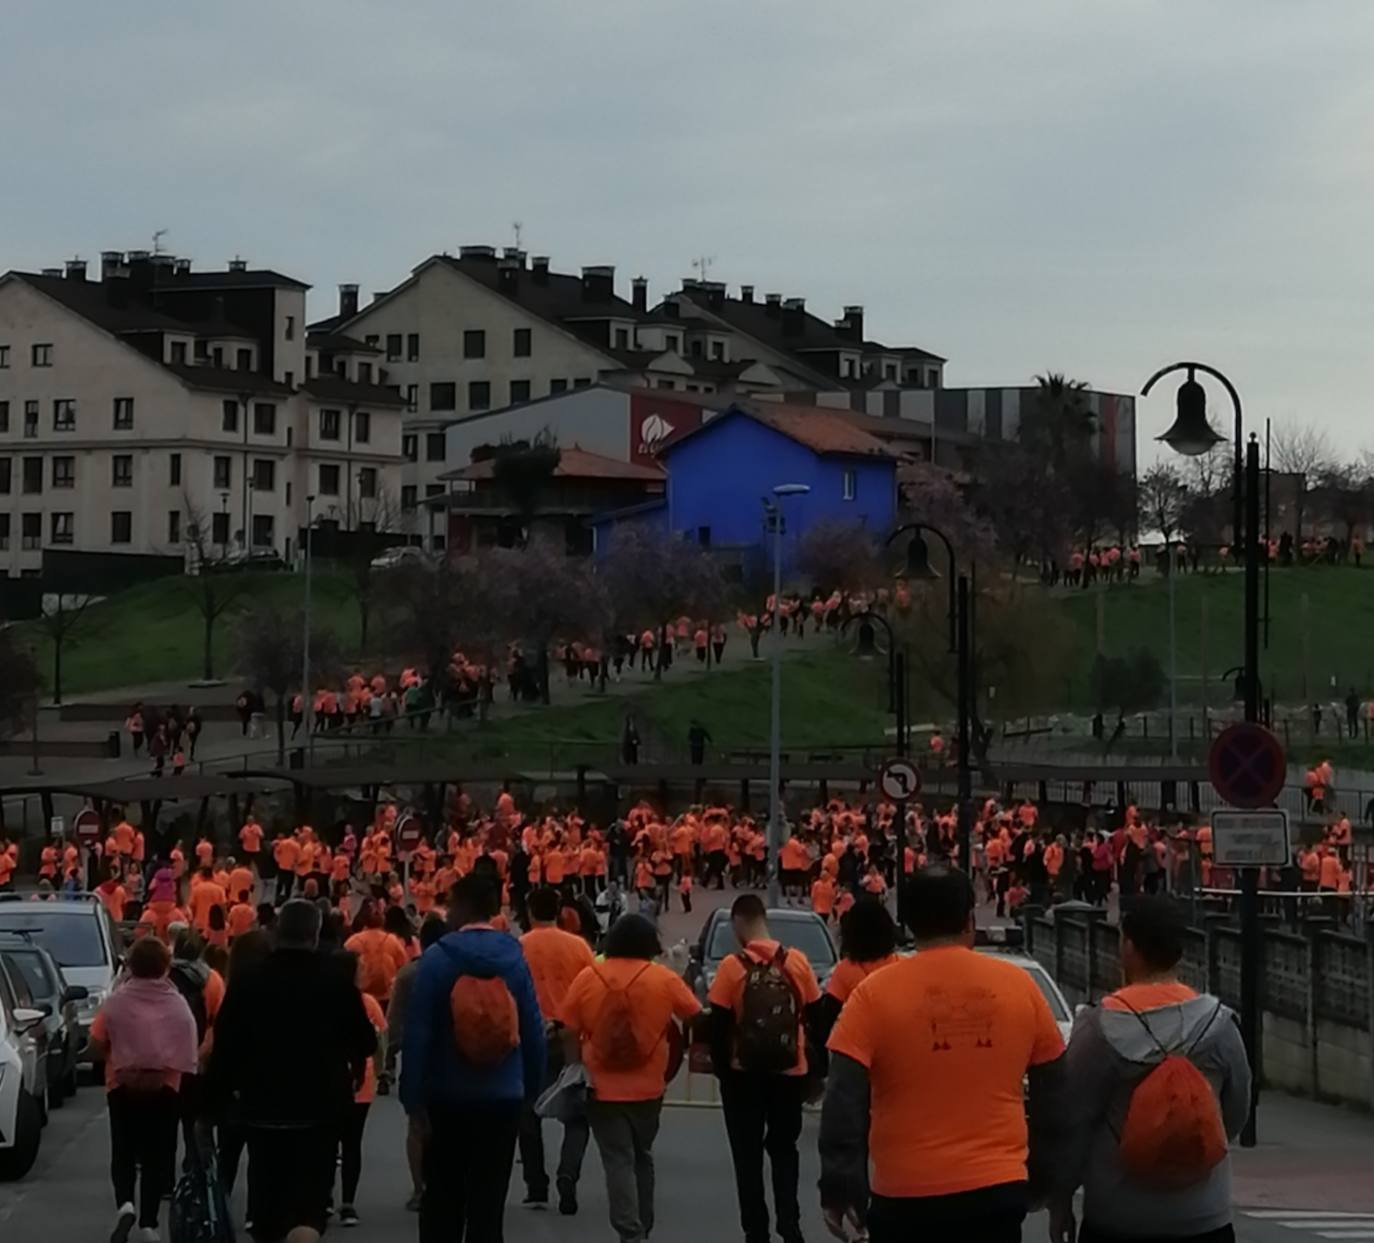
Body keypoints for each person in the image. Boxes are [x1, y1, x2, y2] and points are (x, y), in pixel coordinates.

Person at [820, 867, 1070, 1243]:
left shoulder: (872, 995)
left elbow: (843, 1098)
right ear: (970, 919)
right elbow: (1054, 1092)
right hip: (997, 1189)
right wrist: (1043, 1176)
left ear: (908, 923)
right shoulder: (1020, 987)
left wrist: (841, 1185)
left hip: (906, 1193)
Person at [1050, 897, 1252, 1243]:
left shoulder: (1100, 1028)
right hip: (1203, 1212)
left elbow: (1072, 1121)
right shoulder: (1219, 1025)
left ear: (1128, 946)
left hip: (1118, 1213)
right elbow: (1236, 1109)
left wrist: (1060, 1197)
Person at [206, 900, 376, 1243]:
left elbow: (225, 1047)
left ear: (276, 933)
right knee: (309, 1206)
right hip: (320, 1108)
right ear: (314, 935)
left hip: (262, 1107)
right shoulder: (336, 981)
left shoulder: (248, 980)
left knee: (267, 1202)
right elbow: (365, 1040)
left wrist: (213, 1103)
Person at [401, 874, 545, 1243]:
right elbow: (531, 1028)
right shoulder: (514, 958)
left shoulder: (436, 959)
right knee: (488, 1203)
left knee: (442, 1202)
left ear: (462, 907)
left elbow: (418, 1033)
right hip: (502, 1095)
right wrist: (531, 1088)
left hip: (447, 1095)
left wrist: (413, 1099)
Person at [559, 913, 702, 1243]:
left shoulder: (589, 976)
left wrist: (575, 1064)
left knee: (616, 1159)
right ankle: (644, 1224)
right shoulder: (662, 979)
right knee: (642, 1155)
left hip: (600, 1085)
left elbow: (568, 1026)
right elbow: (694, 1015)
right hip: (650, 1086)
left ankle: (629, 1230)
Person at [708, 893, 822, 1243]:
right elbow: (815, 1019)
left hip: (743, 1075)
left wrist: (724, 1071)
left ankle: (755, 1229)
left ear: (739, 923)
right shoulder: (798, 963)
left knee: (747, 1156)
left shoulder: (732, 967)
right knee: (785, 1151)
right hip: (789, 1072)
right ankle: (790, 1223)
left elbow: (718, 1026)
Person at [88, 935, 200, 1243]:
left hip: (121, 1085)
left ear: (131, 966)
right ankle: (149, 1222)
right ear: (165, 966)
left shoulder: (116, 1002)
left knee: (123, 1149)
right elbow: (188, 1047)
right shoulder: (176, 1004)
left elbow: (96, 1042)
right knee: (157, 1155)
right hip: (165, 1086)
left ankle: (125, 1203)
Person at [519, 885, 597, 1212]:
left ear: (530, 912)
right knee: (577, 1113)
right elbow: (593, 986)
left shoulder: (519, 946)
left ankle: (536, 1185)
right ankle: (569, 1172)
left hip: (532, 1035)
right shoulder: (579, 946)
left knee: (527, 1111)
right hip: (571, 1037)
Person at [383, 915, 446, 1208]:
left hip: (417, 1054)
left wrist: (388, 1058)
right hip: (453, 1055)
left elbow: (394, 1020)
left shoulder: (409, 974)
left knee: (417, 1125)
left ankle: (420, 1189)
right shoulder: (456, 969)